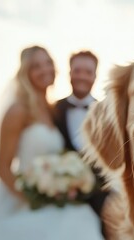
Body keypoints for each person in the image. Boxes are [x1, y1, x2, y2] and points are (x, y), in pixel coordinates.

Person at [0, 46, 103, 240]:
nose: (45, 69)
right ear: (26, 73)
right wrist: (32, 200)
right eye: (36, 66)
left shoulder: (52, 110)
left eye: (48, 63)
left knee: (83, 222)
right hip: (23, 197)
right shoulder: (17, 110)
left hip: (55, 197)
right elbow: (3, 169)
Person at [53, 50, 109, 233]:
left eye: (88, 72)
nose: (82, 76)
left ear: (95, 76)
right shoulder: (53, 109)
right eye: (77, 70)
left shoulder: (107, 112)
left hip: (100, 198)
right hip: (58, 196)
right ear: (69, 73)